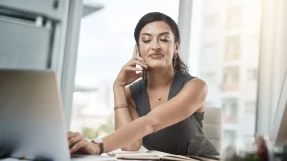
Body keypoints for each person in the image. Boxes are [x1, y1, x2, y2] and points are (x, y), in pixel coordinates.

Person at [68, 12, 219, 156]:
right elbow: (130, 146)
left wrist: (96, 146)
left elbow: (151, 123)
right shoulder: (131, 94)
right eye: (147, 40)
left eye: (164, 39)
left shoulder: (195, 87)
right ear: (138, 49)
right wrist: (118, 87)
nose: (155, 46)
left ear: (176, 47)